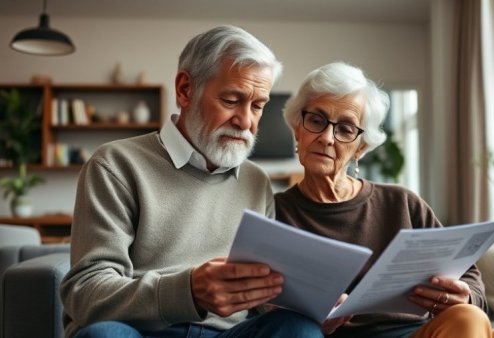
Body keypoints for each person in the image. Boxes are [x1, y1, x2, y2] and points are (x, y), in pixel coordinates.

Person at [60, 25, 324, 338]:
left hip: (227, 333)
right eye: (231, 100)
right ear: (185, 89)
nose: (246, 121)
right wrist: (187, 291)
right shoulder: (115, 165)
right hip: (139, 331)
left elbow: (260, 300)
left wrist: (308, 304)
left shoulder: (256, 180)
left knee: (301, 329)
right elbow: (86, 293)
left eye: (257, 106)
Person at [275, 62, 494, 338]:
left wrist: (465, 297)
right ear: (297, 129)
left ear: (360, 148)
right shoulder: (274, 211)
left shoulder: (402, 202)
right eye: (316, 120)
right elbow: (259, 309)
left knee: (467, 317)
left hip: (416, 333)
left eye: (346, 129)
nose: (326, 138)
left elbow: (469, 277)